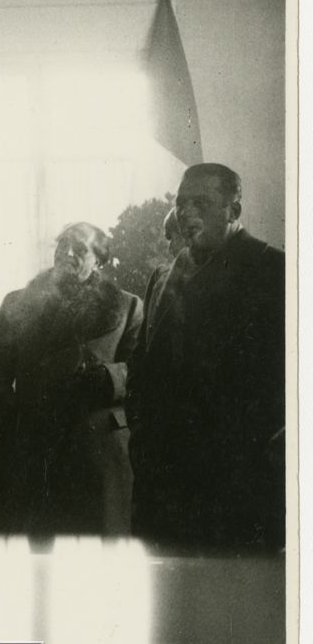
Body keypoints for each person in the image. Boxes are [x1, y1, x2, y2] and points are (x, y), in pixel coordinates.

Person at [127, 163, 285, 551]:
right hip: (162, 481)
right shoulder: (162, 277)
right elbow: (142, 367)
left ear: (234, 211)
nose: (186, 212)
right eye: (181, 203)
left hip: (236, 483)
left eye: (202, 202)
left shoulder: (273, 269)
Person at [0, 222, 143, 536]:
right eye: (61, 245)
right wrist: (14, 426)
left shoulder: (128, 307)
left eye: (79, 249)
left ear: (100, 260)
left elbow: (142, 371)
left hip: (99, 456)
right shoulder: (18, 302)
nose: (67, 253)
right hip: (34, 451)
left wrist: (109, 376)